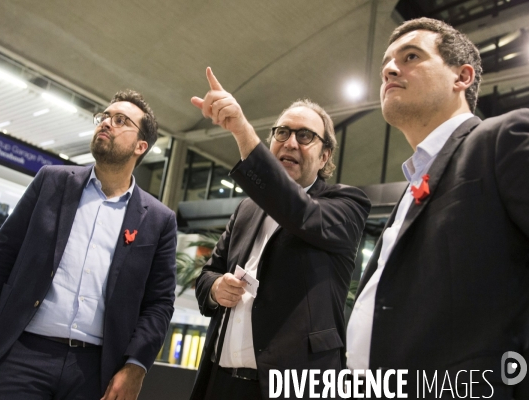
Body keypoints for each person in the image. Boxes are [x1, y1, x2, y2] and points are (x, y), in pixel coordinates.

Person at [347, 17, 529, 398]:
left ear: (461, 77)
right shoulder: (413, 184)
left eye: (411, 56)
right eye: (386, 65)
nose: (390, 69)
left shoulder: (501, 139)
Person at [0, 90, 177, 400]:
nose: (106, 123)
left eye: (120, 120)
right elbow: (1, 254)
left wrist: (136, 366)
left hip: (93, 372)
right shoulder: (51, 182)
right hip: (19, 354)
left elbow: (158, 304)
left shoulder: (158, 220)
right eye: (104, 117)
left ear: (141, 146)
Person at [189, 68, 371, 399]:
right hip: (221, 381)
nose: (290, 142)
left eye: (305, 136)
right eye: (282, 132)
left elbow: (299, 212)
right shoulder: (246, 208)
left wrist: (241, 131)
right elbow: (206, 274)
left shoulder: (345, 204)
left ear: (325, 155)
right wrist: (215, 287)